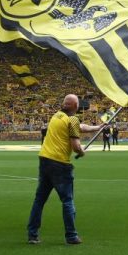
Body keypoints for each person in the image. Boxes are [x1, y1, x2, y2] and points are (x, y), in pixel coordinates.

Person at [27, 94, 102, 245]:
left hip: (44, 160)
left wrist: (97, 127)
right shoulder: (72, 119)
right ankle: (71, 235)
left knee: (39, 200)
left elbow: (79, 127)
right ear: (76, 106)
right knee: (67, 200)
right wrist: (81, 152)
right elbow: (75, 146)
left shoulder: (57, 116)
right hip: (60, 164)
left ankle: (32, 235)